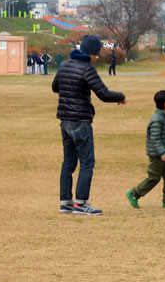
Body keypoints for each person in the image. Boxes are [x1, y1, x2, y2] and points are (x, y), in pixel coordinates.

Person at [52, 34, 126, 216]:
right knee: (87, 163)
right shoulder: (87, 68)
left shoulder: (65, 65)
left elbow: (55, 87)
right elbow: (103, 93)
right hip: (81, 121)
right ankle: (81, 203)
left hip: (65, 121)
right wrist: (121, 96)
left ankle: (65, 202)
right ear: (94, 52)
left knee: (68, 162)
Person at [125, 90, 165, 210]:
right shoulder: (157, 120)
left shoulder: (164, 118)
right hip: (158, 155)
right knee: (154, 178)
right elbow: (155, 139)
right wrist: (162, 152)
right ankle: (134, 193)